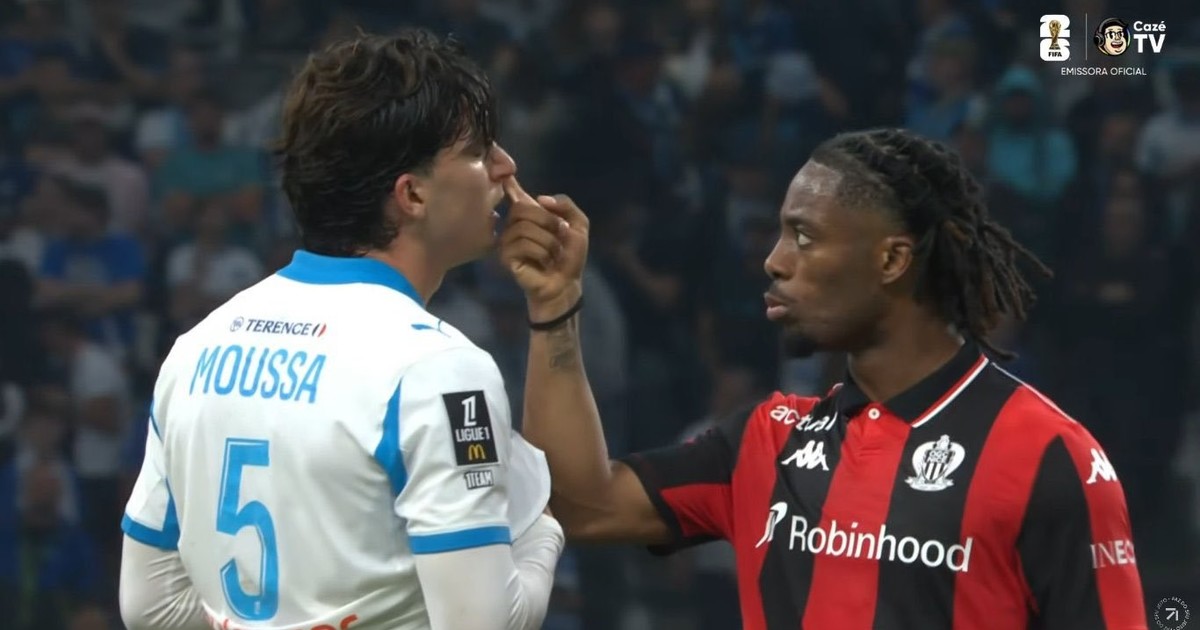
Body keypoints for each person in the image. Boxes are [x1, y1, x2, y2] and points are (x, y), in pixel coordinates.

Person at [499, 127, 1148, 628]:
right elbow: (580, 505)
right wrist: (555, 306)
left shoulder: (1049, 455)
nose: (774, 261)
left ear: (891, 259)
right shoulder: (768, 440)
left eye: (803, 237)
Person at [118, 29, 564, 630]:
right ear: (412, 195)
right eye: (480, 151)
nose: (506, 167)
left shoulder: (196, 349)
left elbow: (148, 606)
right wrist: (541, 530)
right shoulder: (440, 371)